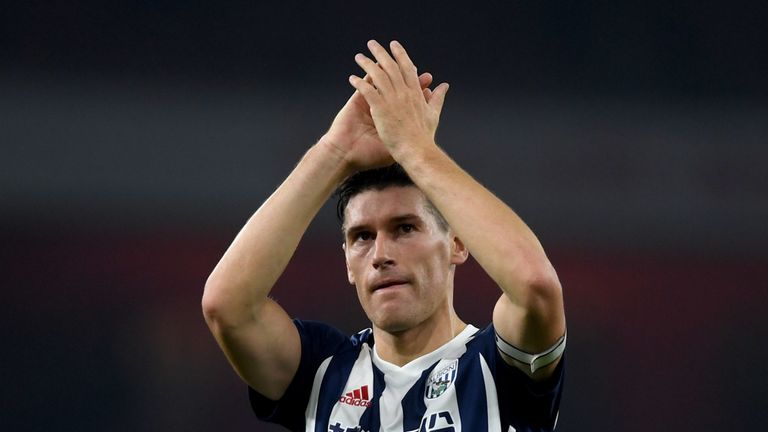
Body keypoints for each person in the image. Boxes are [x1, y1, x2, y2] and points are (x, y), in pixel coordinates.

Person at [202, 40, 567, 431]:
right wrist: (334, 151)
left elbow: (535, 285)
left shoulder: (497, 365)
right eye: (361, 237)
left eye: (405, 228)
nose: (380, 254)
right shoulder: (322, 371)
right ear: (347, 261)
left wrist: (416, 151)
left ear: (457, 244)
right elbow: (228, 306)